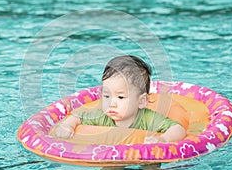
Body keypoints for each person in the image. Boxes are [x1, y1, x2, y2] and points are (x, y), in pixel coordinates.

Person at [55, 55, 186, 143]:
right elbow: (77, 117)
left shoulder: (149, 119)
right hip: (112, 156)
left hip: (145, 157)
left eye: (121, 97)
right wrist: (67, 125)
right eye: (106, 96)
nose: (112, 103)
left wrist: (162, 139)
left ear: (141, 101)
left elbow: (178, 129)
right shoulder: (102, 116)